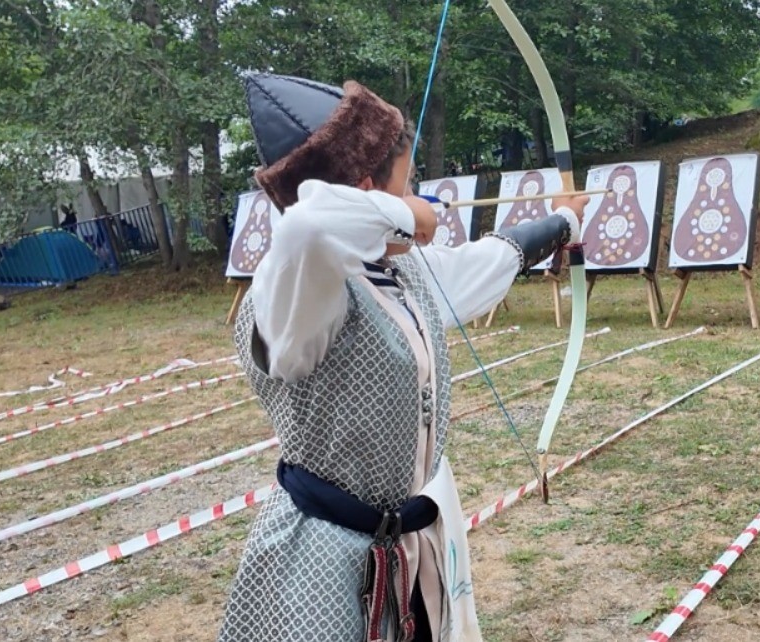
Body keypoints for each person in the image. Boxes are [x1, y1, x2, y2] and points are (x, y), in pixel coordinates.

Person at [218, 73, 586, 642]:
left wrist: (563, 222)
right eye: (406, 181)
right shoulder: (293, 289)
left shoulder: (399, 269)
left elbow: (487, 260)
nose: (417, 194)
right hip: (322, 566)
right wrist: (409, 215)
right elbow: (310, 226)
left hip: (409, 550)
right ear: (365, 190)